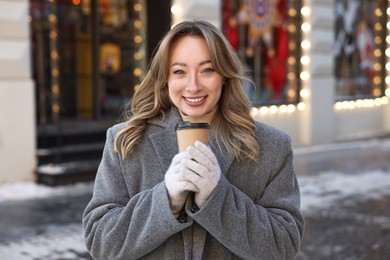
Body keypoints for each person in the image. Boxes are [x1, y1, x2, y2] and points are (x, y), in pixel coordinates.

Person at [82, 20, 304, 259]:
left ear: (224, 76)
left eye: (207, 70)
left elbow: (283, 247)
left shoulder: (272, 146)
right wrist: (166, 199)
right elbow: (101, 243)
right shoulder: (125, 141)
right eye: (179, 71)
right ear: (165, 79)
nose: (193, 85)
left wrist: (217, 197)